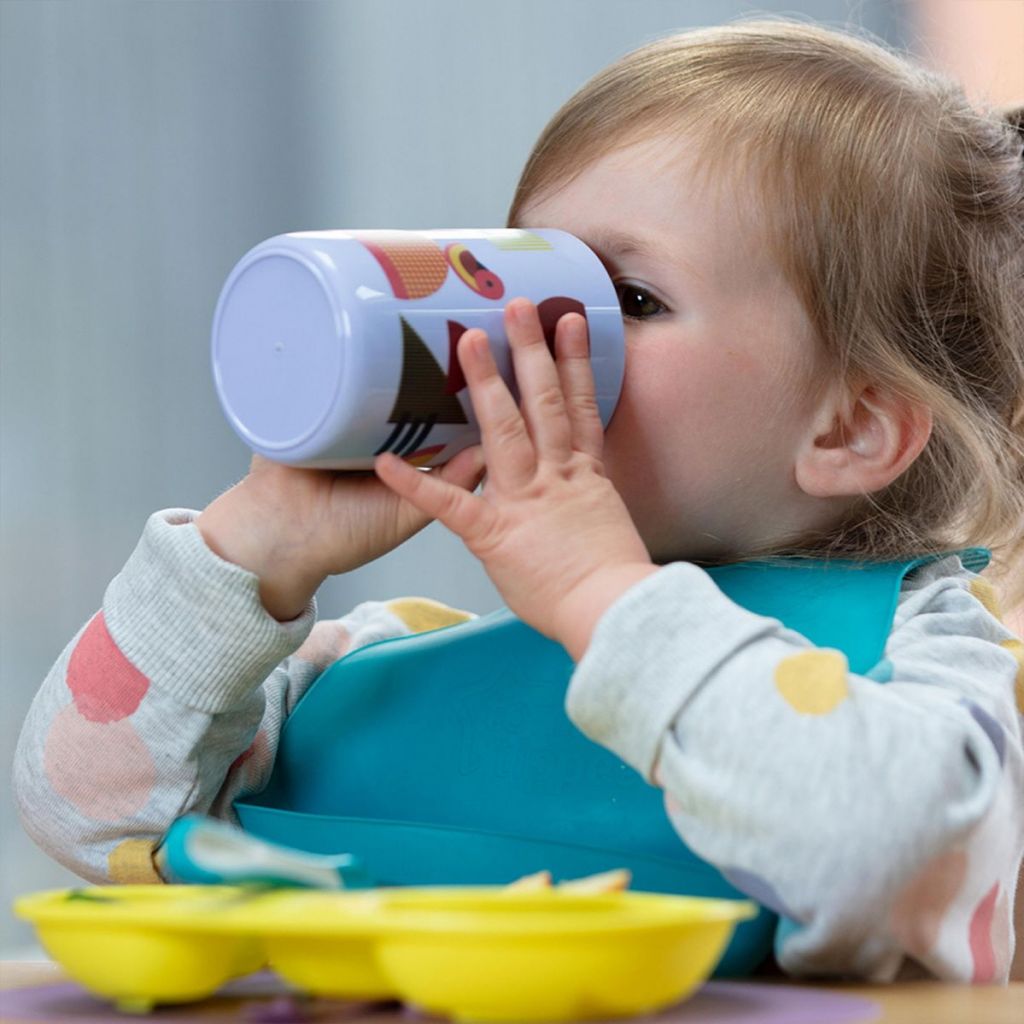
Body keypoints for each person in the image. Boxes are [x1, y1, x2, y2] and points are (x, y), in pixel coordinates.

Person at [13, 19, 1024, 984]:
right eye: (528, 270)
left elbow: (887, 851)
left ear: (849, 427)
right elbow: (85, 814)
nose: (523, 338)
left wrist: (602, 596)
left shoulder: (929, 671)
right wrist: (254, 551)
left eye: (626, 299)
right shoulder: (385, 666)